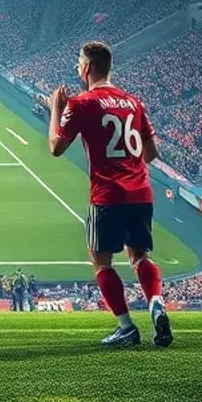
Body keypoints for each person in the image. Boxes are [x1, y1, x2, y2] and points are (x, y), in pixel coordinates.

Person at [42, 40, 172, 348]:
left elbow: (55, 148)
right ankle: (156, 304)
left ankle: (126, 326)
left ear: (87, 68)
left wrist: (56, 109)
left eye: (78, 63)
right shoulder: (134, 102)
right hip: (141, 192)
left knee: (101, 261)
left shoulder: (82, 103)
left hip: (108, 193)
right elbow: (152, 152)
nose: (77, 68)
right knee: (140, 256)